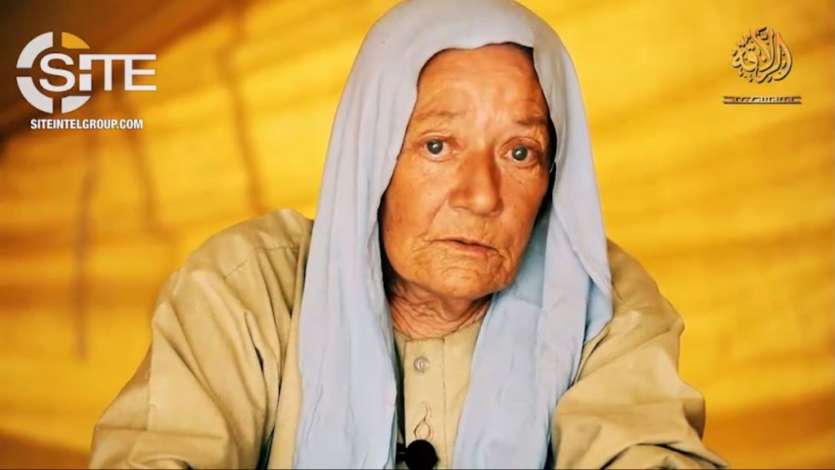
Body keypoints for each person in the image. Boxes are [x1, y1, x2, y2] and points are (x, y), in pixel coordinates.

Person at [89, 0, 727, 468]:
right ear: (372, 158)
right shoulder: (249, 288)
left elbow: (641, 451)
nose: (482, 195)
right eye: (438, 145)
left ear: (554, 176)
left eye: (520, 153)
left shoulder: (599, 300)